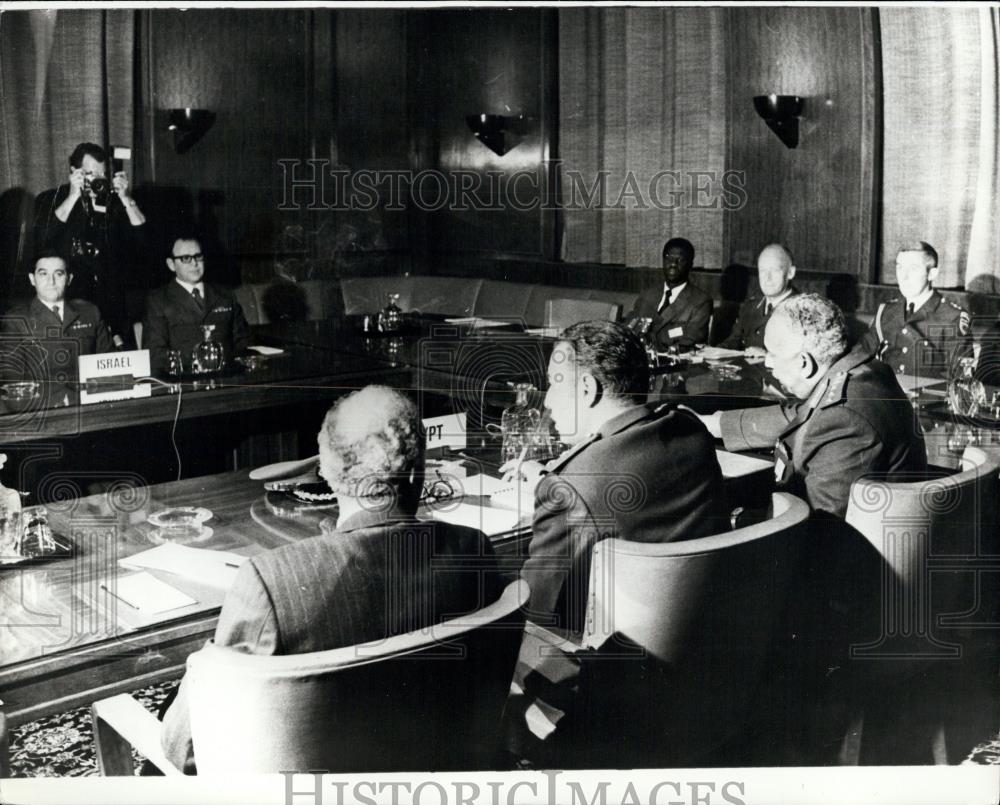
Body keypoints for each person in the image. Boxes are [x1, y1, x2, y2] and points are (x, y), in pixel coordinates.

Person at [160, 385, 503, 773]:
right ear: (419, 467)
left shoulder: (269, 580)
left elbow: (184, 750)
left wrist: (201, 665)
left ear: (327, 471)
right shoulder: (474, 550)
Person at [502, 320, 726, 635]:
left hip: (599, 664)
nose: (548, 400)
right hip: (697, 641)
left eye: (554, 382)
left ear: (585, 388)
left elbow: (536, 610)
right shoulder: (691, 430)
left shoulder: (570, 490)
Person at [698, 294, 927, 520]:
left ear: (805, 364)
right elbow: (805, 414)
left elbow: (820, 529)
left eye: (773, 354)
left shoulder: (844, 420)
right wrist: (714, 424)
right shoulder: (864, 372)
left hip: (843, 548)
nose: (767, 363)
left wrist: (738, 519)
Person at [33, 142, 146, 343]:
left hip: (112, 303)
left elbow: (143, 239)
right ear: (74, 172)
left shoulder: (114, 202)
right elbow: (43, 238)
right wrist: (73, 196)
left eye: (102, 174)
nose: (97, 181)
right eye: (90, 174)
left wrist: (126, 198)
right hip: (71, 303)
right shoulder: (53, 197)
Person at [0, 253, 114, 406]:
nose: (51, 281)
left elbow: (110, 364)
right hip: (43, 411)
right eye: (43, 274)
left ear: (69, 279)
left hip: (91, 405)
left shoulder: (90, 312)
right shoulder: (16, 320)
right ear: (32, 279)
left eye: (58, 274)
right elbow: (13, 381)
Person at [858, 241, 971, 380]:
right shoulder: (887, 311)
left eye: (913, 268)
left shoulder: (952, 317)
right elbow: (861, 355)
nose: (904, 277)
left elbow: (959, 380)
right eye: (900, 268)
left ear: (932, 274)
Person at [142, 236, 250, 373]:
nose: (194, 263)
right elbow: (155, 355)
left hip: (227, 377)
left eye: (198, 256)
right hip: (185, 381)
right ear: (171, 264)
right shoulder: (158, 300)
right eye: (185, 258)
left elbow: (243, 342)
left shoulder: (225, 295)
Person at [628, 237, 713, 351]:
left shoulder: (700, 301)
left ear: (690, 264)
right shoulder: (647, 295)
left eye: (680, 259)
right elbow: (629, 329)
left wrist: (649, 343)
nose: (673, 264)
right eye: (668, 258)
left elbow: (689, 341)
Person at [718, 243, 799, 354]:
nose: (767, 278)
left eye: (775, 270)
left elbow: (803, 357)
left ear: (790, 272)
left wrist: (767, 356)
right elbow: (733, 342)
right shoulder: (750, 307)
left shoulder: (802, 309)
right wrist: (712, 352)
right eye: (763, 271)